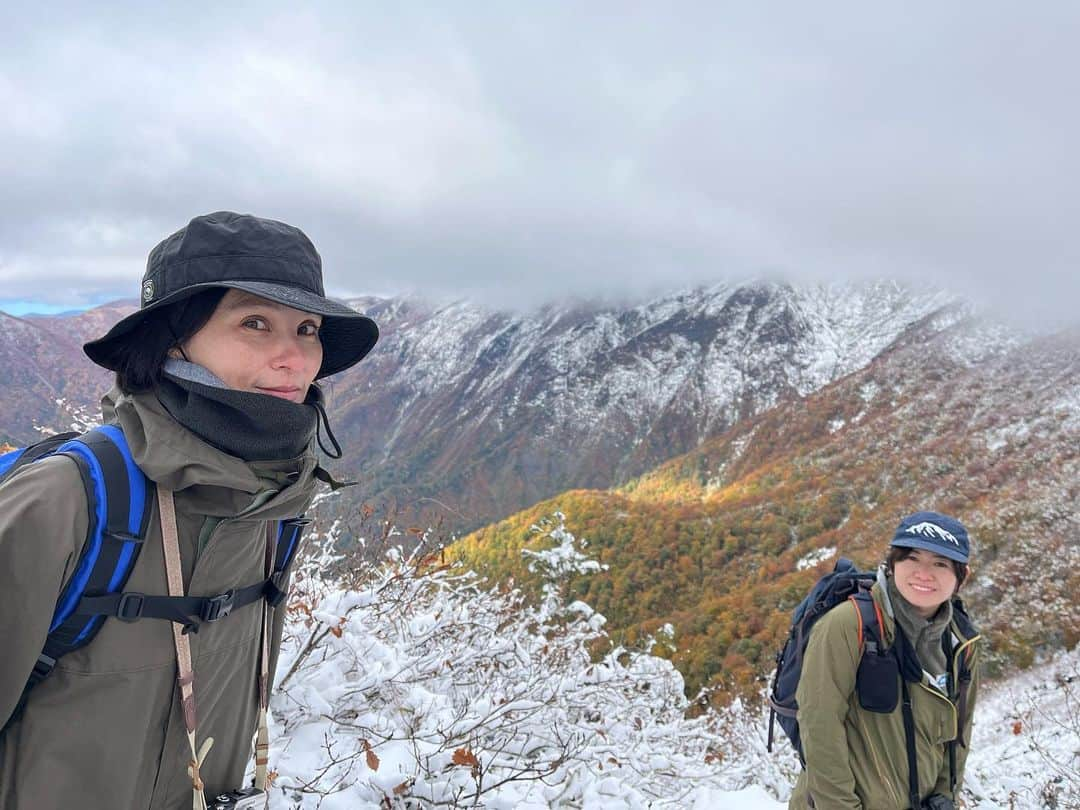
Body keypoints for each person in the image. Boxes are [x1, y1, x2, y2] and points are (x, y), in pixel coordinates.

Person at [0, 212, 378, 809]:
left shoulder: (275, 508)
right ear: (173, 338)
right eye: (255, 323)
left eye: (307, 328)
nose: (295, 356)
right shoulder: (69, 500)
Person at [789, 512, 981, 810]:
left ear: (961, 576)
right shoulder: (849, 625)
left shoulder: (961, 642)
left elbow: (960, 731)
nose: (923, 573)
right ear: (893, 564)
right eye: (912, 558)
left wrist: (946, 795)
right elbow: (819, 723)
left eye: (940, 563)